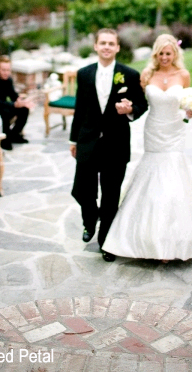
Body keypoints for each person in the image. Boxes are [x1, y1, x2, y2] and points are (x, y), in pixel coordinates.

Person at [102, 34, 192, 262]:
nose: (165, 57)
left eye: (169, 53)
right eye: (161, 53)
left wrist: (189, 112)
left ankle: (172, 243)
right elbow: (140, 103)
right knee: (152, 173)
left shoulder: (183, 75)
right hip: (154, 131)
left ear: (175, 54)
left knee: (173, 179)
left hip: (174, 131)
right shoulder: (147, 75)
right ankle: (145, 240)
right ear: (156, 55)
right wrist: (128, 105)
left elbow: (185, 105)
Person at [70, 28, 148, 262]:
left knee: (111, 195)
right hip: (87, 141)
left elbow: (141, 105)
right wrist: (73, 140)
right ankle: (89, 220)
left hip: (115, 144)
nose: (106, 47)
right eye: (102, 42)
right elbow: (80, 109)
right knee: (82, 189)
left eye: (110, 43)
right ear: (95, 46)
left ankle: (106, 242)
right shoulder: (83, 74)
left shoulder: (130, 75)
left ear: (117, 47)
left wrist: (130, 109)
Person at [0, 55, 35, 150]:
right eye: (3, 70)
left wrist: (21, 101)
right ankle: (5, 140)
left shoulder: (8, 80)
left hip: (4, 105)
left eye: (8, 70)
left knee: (24, 110)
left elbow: (13, 94)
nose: (6, 73)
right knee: (4, 113)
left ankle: (14, 135)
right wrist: (14, 104)